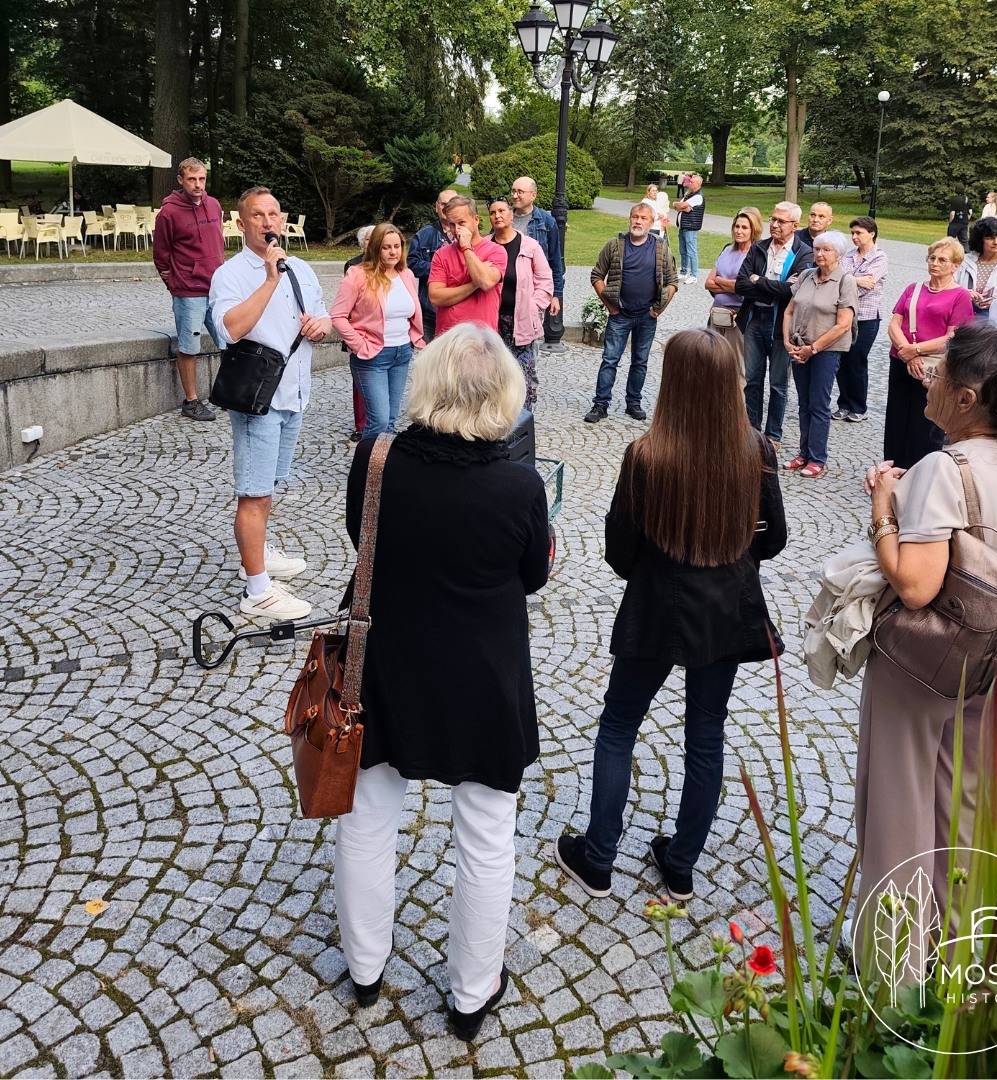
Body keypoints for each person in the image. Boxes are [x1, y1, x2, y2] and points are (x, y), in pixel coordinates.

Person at [336, 323, 550, 1042]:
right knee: (487, 835)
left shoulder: (375, 459)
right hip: (482, 673)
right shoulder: (519, 484)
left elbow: (359, 538)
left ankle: (365, 970)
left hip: (386, 657)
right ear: (503, 400)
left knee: (367, 816)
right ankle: (470, 993)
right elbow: (533, 575)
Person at [554, 329, 787, 901]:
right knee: (705, 733)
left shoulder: (647, 456)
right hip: (725, 607)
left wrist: (663, 565)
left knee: (618, 725)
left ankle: (599, 856)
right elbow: (773, 539)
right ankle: (681, 862)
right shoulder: (756, 451)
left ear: (673, 386)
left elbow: (619, 550)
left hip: (657, 605)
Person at [854, 322, 997, 968]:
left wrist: (884, 505)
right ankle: (959, 939)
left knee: (899, 806)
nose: (928, 382)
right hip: (990, 659)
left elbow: (914, 583)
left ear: (966, 398)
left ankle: (894, 961)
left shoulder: (945, 466)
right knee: (963, 801)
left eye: (940, 374)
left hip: (922, 662)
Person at [209, 186, 331, 621]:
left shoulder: (300, 268)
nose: (267, 222)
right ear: (241, 225)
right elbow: (230, 329)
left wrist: (323, 324)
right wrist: (269, 280)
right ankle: (258, 590)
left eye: (273, 214)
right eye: (257, 215)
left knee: (273, 484)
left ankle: (260, 550)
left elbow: (323, 314)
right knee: (254, 492)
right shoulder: (231, 274)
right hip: (257, 395)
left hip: (295, 390)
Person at [883, 238, 974, 470]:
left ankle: (918, 472)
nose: (935, 263)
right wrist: (909, 354)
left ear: (955, 265)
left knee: (926, 420)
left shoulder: (960, 296)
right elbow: (894, 324)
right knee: (896, 417)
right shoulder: (913, 289)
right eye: (932, 258)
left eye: (942, 260)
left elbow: (953, 337)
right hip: (902, 361)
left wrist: (917, 351)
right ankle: (892, 468)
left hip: (933, 367)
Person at [584, 203, 678, 424]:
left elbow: (673, 282)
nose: (638, 221)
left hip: (647, 316)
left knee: (640, 361)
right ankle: (600, 404)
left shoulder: (660, 248)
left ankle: (633, 402)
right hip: (620, 315)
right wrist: (609, 306)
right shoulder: (615, 245)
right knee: (609, 360)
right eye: (635, 216)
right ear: (629, 219)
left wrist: (659, 308)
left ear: (651, 222)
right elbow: (597, 275)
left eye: (643, 218)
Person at [331, 222, 425, 442]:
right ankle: (365, 471)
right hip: (372, 356)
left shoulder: (406, 275)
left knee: (391, 420)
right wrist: (359, 344)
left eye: (397, 246)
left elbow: (411, 314)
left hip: (401, 353)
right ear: (375, 248)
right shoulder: (357, 275)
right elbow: (337, 316)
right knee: (379, 420)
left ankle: (382, 471)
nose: (393, 252)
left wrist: (415, 339)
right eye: (386, 247)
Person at [734, 202, 815, 450]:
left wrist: (759, 281)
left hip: (782, 325)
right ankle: (751, 429)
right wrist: (771, 286)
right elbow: (740, 284)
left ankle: (773, 435)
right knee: (753, 379)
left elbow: (793, 290)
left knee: (778, 383)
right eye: (773, 219)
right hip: (755, 319)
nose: (775, 225)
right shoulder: (759, 248)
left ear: (795, 225)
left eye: (781, 221)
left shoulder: (804, 253)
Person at [153, 157, 225, 422]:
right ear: (181, 180)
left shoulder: (215, 205)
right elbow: (161, 256)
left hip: (218, 289)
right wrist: (175, 285)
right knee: (189, 347)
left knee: (230, 341)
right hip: (189, 291)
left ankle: (226, 394)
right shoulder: (169, 213)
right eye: (192, 179)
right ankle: (191, 401)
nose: (198, 185)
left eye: (202, 179)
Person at [781, 231, 857, 478]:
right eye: (817, 249)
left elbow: (843, 324)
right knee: (803, 402)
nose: (820, 254)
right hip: (799, 346)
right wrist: (786, 341)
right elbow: (789, 311)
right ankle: (803, 453)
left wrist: (813, 348)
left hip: (825, 351)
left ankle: (817, 458)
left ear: (838, 254)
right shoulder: (806, 276)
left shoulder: (846, 281)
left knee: (819, 404)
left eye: (826, 250)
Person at [487, 197, 554, 411]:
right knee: (494, 373)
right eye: (492, 212)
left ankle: (522, 420)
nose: (497, 216)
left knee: (523, 374)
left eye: (501, 211)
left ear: (510, 214)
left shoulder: (529, 245)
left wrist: (534, 307)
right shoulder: (486, 246)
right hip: (492, 320)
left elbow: (545, 280)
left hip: (521, 320)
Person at [833, 216, 888, 423]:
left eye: (859, 233)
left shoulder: (879, 257)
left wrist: (848, 281)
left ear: (871, 233)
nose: (854, 237)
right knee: (842, 360)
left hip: (866, 317)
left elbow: (869, 284)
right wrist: (854, 280)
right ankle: (843, 404)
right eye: (853, 233)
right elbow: (838, 278)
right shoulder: (847, 255)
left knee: (857, 360)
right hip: (844, 313)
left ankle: (858, 406)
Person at [427, 196, 507, 335]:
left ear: (476, 220)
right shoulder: (441, 254)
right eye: (451, 224)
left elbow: (486, 282)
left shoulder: (496, 251)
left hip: (483, 338)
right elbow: (435, 297)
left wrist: (466, 248)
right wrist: (473, 285)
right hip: (448, 338)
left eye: (461, 223)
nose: (456, 230)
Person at [509, 177, 564, 338]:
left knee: (529, 338)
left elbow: (555, 261)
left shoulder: (546, 222)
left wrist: (556, 296)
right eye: (513, 191)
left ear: (533, 195)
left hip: (532, 292)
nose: (515, 195)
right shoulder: (504, 218)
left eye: (520, 192)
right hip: (507, 291)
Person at [704, 206, 761, 352]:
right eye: (736, 226)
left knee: (735, 364)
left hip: (738, 318)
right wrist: (734, 286)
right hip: (717, 315)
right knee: (714, 361)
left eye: (744, 227)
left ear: (753, 230)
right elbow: (708, 283)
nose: (739, 231)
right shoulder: (727, 249)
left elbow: (747, 288)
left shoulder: (756, 255)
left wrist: (720, 281)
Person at [407, 189, 457, 343]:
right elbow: (412, 264)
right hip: (431, 311)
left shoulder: (468, 234)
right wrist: (439, 269)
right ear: (436, 207)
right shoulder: (424, 234)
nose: (446, 207)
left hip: (459, 310)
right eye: (443, 204)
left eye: (451, 204)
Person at [344, 225, 376, 440]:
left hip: (383, 332)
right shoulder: (352, 265)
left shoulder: (390, 264)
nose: (370, 244)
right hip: (359, 330)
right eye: (367, 240)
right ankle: (362, 425)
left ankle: (379, 423)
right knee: (360, 381)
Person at [955, 217, 997, 318]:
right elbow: (949, 285)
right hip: (963, 310)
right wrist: (964, 293)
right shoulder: (965, 261)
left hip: (996, 314)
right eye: (990, 238)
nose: (996, 242)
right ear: (980, 240)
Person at [672, 173, 705, 283]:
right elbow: (677, 206)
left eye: (692, 182)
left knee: (691, 251)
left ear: (698, 184)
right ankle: (683, 271)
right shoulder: (688, 195)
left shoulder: (698, 196)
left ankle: (694, 275)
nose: (689, 183)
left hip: (691, 227)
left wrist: (681, 206)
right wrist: (680, 205)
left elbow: (680, 206)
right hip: (683, 226)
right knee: (683, 250)